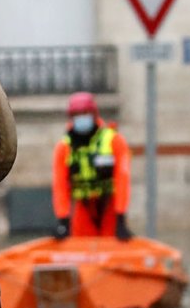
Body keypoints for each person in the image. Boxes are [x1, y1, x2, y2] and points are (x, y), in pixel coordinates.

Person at [52, 91, 132, 240]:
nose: (81, 118)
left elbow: (123, 180)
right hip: (83, 209)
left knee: (111, 253)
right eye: (77, 114)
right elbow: (60, 185)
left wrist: (121, 216)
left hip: (109, 206)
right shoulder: (64, 147)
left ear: (94, 114)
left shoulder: (114, 141)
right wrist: (63, 220)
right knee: (82, 253)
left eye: (85, 113)